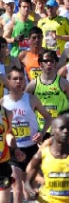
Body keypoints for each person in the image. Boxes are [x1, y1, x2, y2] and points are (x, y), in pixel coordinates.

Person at [2, 67, 52, 203]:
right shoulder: (3, 102)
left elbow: (48, 117)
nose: (18, 81)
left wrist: (41, 133)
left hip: (31, 148)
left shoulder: (32, 99)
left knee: (29, 192)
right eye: (15, 79)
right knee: (17, 189)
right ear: (8, 81)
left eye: (21, 79)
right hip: (13, 149)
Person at [25, 116, 69, 203]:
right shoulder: (41, 156)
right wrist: (32, 191)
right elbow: (27, 183)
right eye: (62, 128)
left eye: (68, 129)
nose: (66, 131)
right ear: (52, 131)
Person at [25, 50, 69, 131]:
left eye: (51, 61)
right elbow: (25, 105)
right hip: (40, 129)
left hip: (59, 129)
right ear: (40, 64)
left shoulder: (63, 83)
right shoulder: (32, 85)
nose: (49, 63)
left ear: (55, 63)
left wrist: (68, 117)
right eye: (46, 61)